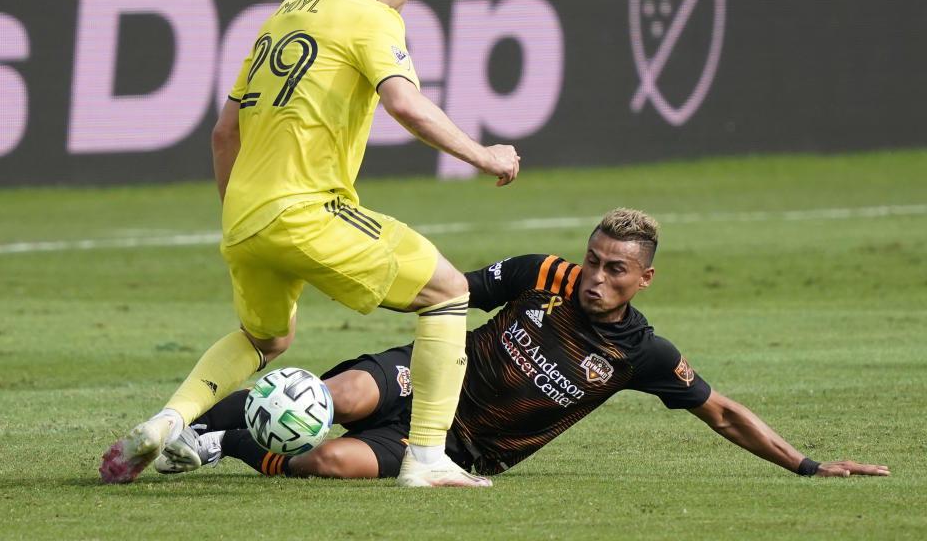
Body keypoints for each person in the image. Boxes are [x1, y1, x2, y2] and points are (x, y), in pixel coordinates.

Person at [99, 0, 519, 488]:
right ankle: (425, 457)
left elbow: (225, 132)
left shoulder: (284, 13)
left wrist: (241, 212)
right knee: (449, 292)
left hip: (244, 215)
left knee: (265, 338)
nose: (405, 9)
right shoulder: (373, 18)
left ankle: (169, 420)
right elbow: (406, 104)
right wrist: (483, 155)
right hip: (308, 206)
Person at [154, 208, 889, 481]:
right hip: (427, 380)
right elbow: (451, 293)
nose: (594, 278)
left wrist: (809, 466)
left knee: (332, 459)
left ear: (643, 280)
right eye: (594, 260)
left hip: (464, 448)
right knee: (338, 395)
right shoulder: (543, 274)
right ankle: (177, 428)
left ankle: (223, 448)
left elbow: (721, 411)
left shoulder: (643, 356)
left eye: (614, 270)